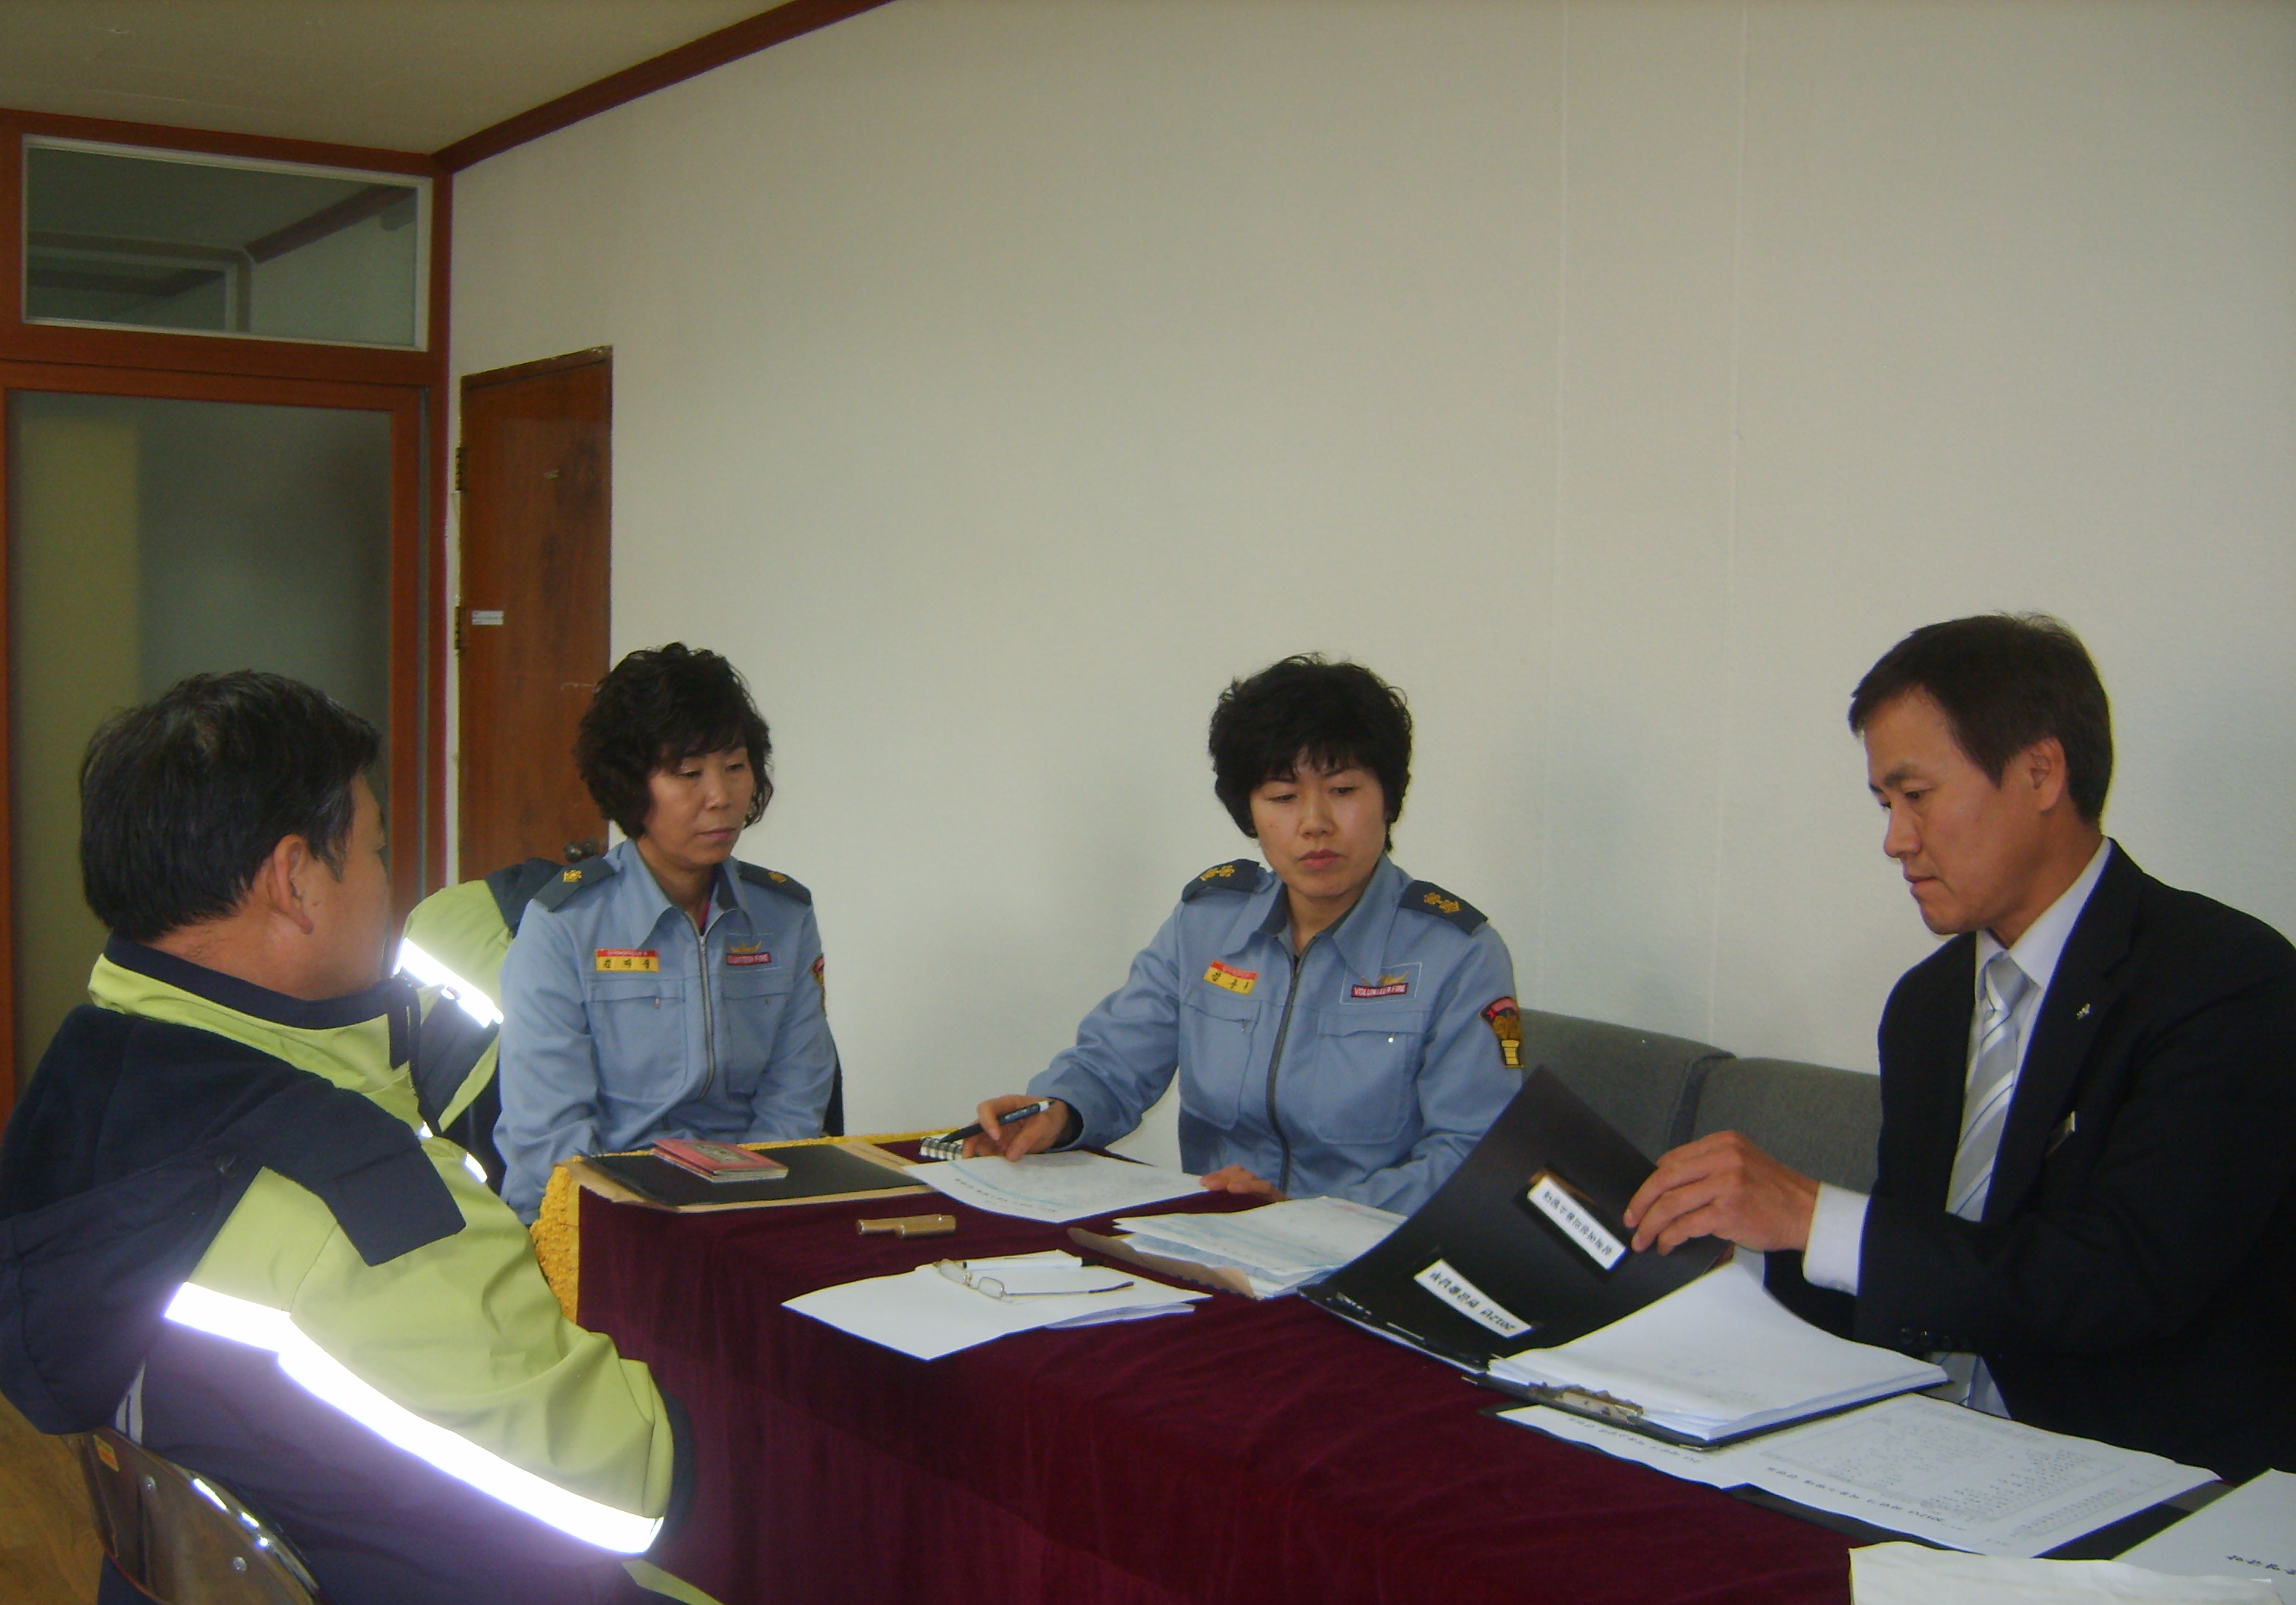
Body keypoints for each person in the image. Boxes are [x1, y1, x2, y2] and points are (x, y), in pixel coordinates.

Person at [0, 672, 980, 1605]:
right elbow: (627, 1487)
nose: (393, 892)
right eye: (379, 853)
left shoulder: (85, 1085)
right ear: (295, 880)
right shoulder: (358, 1200)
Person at [1623, 615, 2296, 1478]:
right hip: (1922, 1449)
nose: (1895, 840)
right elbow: (1922, 1270)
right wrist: (1738, 1254)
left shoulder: (2225, 982)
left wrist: (1810, 1214)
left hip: (2138, 1475)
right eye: (1885, 805)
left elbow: (2121, 1281)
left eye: (1917, 796)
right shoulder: (1930, 1004)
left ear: (2041, 772)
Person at [964, 655, 1521, 1213]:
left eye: (1343, 790)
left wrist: (1301, 1213)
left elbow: (1470, 1155)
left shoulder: (1457, 954)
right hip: (1214, 1236)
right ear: (1250, 814)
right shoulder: (1207, 924)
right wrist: (1058, 1111)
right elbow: (1114, 1065)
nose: (1315, 823)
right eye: (1283, 797)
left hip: (1367, 1248)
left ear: (1389, 799)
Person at [496, 645, 838, 1221]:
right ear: (631, 785)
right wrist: (638, 1231)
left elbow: (796, 1100)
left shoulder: (784, 916)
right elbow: (549, 1138)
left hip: (750, 1207)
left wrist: (745, 1211)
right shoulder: (565, 925)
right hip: (604, 1215)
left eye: (735, 766)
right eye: (688, 773)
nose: (721, 797)